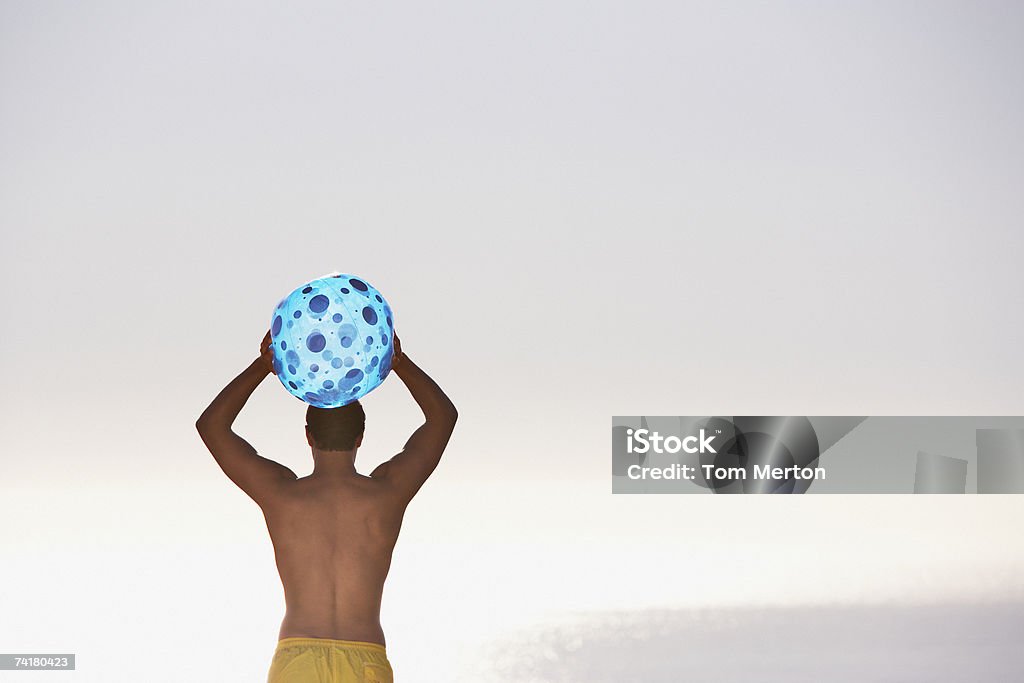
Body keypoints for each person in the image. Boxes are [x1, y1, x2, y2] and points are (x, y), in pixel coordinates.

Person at [196, 330, 457, 683]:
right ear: (361, 437)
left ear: (308, 436)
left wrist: (263, 366)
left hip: (297, 661)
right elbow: (443, 418)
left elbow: (211, 426)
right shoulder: (387, 494)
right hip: (365, 659)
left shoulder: (281, 495)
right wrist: (398, 362)